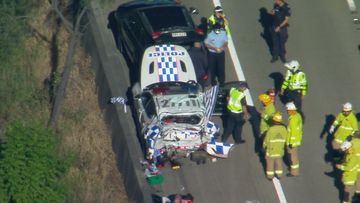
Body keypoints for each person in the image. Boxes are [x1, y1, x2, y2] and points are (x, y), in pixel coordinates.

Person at [263, 112, 288, 180]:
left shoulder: (271, 129)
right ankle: (279, 175)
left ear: (274, 120)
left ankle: (270, 176)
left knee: (270, 163)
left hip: (271, 150)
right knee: (279, 162)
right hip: (280, 149)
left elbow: (266, 140)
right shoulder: (284, 128)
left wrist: (264, 147)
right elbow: (286, 139)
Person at [285, 102, 303, 177]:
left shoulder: (293, 119)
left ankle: (294, 172)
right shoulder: (297, 116)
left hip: (292, 142)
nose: (287, 112)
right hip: (296, 140)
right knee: (293, 156)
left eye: (288, 110)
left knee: (293, 157)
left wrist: (291, 142)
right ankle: (293, 169)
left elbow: (294, 131)